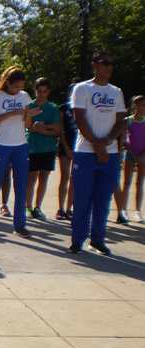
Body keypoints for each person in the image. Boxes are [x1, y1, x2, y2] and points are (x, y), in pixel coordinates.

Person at [69, 50, 127, 255]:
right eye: (104, 63)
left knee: (103, 199)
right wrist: (96, 144)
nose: (108, 67)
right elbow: (79, 118)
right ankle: (77, 239)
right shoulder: (82, 89)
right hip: (86, 151)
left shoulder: (116, 92)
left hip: (109, 154)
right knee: (82, 198)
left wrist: (108, 142)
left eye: (111, 63)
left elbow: (122, 121)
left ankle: (98, 239)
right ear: (95, 65)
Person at [0, 67, 38, 239]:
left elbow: (27, 125)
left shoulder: (25, 96)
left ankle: (20, 225)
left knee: (20, 185)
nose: (18, 90)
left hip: (20, 144)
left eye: (21, 87)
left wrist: (29, 115)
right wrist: (12, 113)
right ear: (8, 82)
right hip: (0, 144)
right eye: (16, 87)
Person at [25, 77, 62, 220]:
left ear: (48, 91)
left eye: (44, 91)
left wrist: (43, 129)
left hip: (48, 148)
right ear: (35, 90)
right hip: (33, 147)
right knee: (31, 178)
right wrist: (42, 128)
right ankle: (27, 207)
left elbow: (57, 128)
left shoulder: (53, 108)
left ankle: (37, 207)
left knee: (43, 178)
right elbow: (29, 127)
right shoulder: (30, 106)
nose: (41, 94)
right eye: (39, 91)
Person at [117, 95, 145, 223]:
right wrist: (133, 155)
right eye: (143, 105)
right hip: (130, 155)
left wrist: (141, 156)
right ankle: (123, 209)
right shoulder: (128, 121)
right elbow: (123, 139)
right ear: (135, 106)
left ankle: (138, 211)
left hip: (143, 156)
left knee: (140, 183)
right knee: (127, 182)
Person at [56, 83, 78, 220]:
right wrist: (67, 148)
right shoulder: (63, 108)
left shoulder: (84, 108)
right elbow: (60, 129)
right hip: (66, 145)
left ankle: (70, 208)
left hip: (80, 146)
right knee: (64, 177)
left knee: (74, 178)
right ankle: (61, 208)